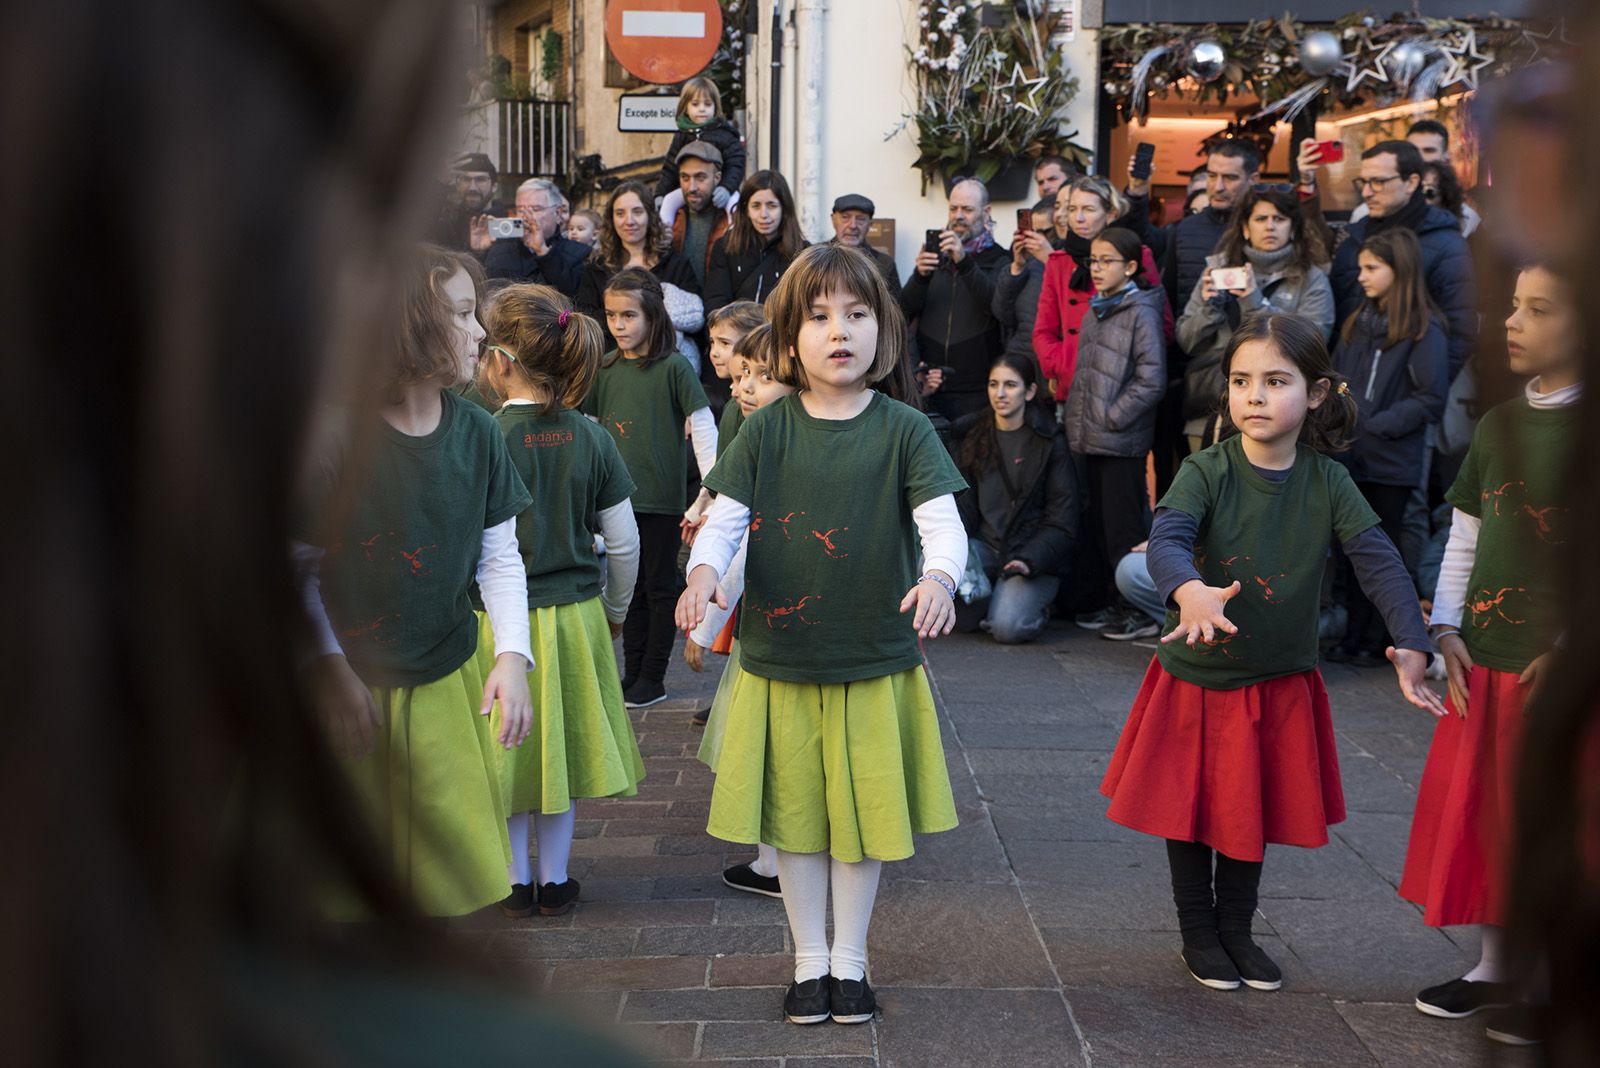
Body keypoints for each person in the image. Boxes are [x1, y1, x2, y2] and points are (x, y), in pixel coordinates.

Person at [1099, 313, 1445, 993]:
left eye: (1275, 381)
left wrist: (1412, 639)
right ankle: (1199, 931)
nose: (1254, 395)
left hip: (1278, 680)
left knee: (1246, 806)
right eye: (1241, 381)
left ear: (1316, 394)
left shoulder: (1327, 480)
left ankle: (1238, 929)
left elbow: (1377, 560)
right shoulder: (1206, 469)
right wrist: (1190, 589)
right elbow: (1168, 538)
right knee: (1191, 810)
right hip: (1199, 678)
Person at [678, 244, 968, 1027]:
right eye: (817, 317)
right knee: (797, 819)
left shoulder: (905, 429)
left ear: (884, 331)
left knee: (862, 822)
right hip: (781, 661)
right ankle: (809, 962)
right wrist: (704, 573)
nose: (838, 330)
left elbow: (943, 526)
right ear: (788, 336)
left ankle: (852, 960)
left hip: (873, 660)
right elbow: (724, 520)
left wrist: (940, 578)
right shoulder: (767, 432)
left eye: (857, 314)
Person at [300, 245, 537, 918]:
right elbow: (293, 575)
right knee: (346, 869)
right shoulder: (333, 443)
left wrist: (512, 656)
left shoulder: (481, 435)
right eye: (461, 314)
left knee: (445, 863)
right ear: (402, 324)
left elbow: (500, 557)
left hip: (444, 674)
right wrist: (327, 668)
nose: (480, 333)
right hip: (348, 688)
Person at [1401, 264, 1580, 1046]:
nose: (1512, 321)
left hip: (1565, 678)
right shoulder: (1502, 424)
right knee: (1492, 817)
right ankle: (1498, 966)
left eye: (1538, 309)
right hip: (1488, 662)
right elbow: (1466, 538)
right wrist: (1444, 630)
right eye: (1513, 305)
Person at [474, 284, 647, 918]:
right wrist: (616, 610)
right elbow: (623, 543)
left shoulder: (482, 435)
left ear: (499, 360)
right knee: (561, 756)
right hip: (575, 616)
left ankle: (515, 881)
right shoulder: (592, 438)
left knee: (510, 756)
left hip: (497, 627)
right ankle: (557, 881)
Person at [582, 269, 717, 709]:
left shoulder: (674, 367)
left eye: (629, 315)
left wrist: (712, 488)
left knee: (658, 590)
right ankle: (632, 674)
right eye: (611, 315)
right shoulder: (603, 368)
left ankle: (652, 678)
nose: (618, 325)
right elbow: (593, 429)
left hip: (660, 501)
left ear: (653, 316)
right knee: (628, 587)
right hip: (617, 502)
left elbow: (702, 425)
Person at [688, 322, 791, 898]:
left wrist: (703, 629)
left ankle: (776, 866)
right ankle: (775, 861)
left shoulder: (770, 442)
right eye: (744, 374)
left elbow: (741, 548)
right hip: (767, 622)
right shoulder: (758, 434)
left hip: (773, 627)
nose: (748, 387)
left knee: (767, 749)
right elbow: (725, 534)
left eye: (765, 376)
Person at [1328, 229, 1448, 666]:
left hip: (1391, 459)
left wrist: (1375, 424)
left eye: (1371, 268)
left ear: (1399, 271)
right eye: (1361, 267)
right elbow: (1339, 380)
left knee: (1382, 554)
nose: (1361, 277)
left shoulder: (1423, 330)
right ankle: (1353, 636)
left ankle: (1379, 641)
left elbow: (1430, 398)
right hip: (1351, 455)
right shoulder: (1357, 322)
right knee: (1349, 555)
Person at [1063, 227, 1167, 633]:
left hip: (1120, 441)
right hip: (1089, 438)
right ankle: (1111, 602)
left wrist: (1113, 417)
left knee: (1125, 528)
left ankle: (1137, 608)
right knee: (1099, 527)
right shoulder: (1096, 308)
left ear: (1130, 266)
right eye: (1094, 260)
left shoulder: (1140, 310)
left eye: (1107, 261)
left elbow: (1151, 379)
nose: (1098, 268)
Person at [1176, 187, 1334, 451]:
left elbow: (1313, 345)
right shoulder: (1218, 269)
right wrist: (1209, 306)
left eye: (1279, 219)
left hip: (1280, 419)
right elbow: (1187, 341)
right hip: (1213, 409)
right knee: (1212, 488)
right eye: (1260, 219)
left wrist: (1254, 301)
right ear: (1245, 228)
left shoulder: (1311, 277)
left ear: (1293, 227)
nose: (1270, 226)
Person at [1322, 140, 1475, 379]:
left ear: (1411, 182)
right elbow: (1337, 317)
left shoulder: (1446, 244)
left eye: (1378, 182)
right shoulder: (1354, 237)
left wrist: (1422, 396)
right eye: (1363, 182)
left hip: (1403, 393)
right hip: (1346, 387)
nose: (1366, 192)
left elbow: (1459, 330)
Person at [953, 354, 1077, 644]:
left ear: (1030, 391)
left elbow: (1063, 520)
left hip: (1028, 555)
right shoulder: (974, 434)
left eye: (1010, 385)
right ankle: (993, 602)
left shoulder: (1050, 442)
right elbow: (962, 505)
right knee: (929, 564)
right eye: (993, 384)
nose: (999, 393)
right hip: (984, 549)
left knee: (1008, 628)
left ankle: (1027, 604)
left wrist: (1029, 560)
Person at [1033, 176, 1167, 404]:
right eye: (1072, 209)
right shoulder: (1059, 262)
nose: (1079, 218)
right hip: (1072, 383)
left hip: (1119, 388)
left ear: (1111, 214)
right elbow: (1043, 330)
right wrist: (1060, 366)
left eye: (1088, 209)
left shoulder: (1136, 254)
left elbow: (1162, 326)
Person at [901, 177, 1010, 421]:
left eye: (968, 209)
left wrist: (964, 262)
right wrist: (920, 276)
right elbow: (905, 310)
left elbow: (996, 307)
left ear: (986, 212)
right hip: (932, 387)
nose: (958, 215)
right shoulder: (936, 258)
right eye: (953, 208)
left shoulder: (1001, 259)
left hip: (978, 393)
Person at [682, 301, 767, 568]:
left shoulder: (750, 408)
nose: (715, 353)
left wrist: (711, 514)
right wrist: (700, 509)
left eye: (725, 343)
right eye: (712, 343)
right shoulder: (734, 404)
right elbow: (723, 471)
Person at [574, 180, 704, 355]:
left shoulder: (675, 263)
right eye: (620, 213)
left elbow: (693, 317)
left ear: (650, 215)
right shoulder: (596, 268)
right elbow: (587, 318)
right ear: (611, 219)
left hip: (665, 360)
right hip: (611, 362)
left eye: (637, 212)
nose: (629, 221)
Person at [704, 169, 808, 314]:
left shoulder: (803, 254)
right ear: (746, 209)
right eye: (756, 206)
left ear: (784, 209)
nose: (763, 214)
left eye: (772, 205)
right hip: (737, 334)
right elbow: (716, 301)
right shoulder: (726, 247)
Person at [653, 76, 746, 226]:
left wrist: (726, 188)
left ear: (716, 107)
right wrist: (660, 193)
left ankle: (734, 234)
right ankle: (664, 235)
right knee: (669, 201)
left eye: (708, 104)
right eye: (695, 104)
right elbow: (670, 167)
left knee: (734, 203)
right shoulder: (681, 135)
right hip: (691, 190)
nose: (702, 109)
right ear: (686, 107)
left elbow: (736, 163)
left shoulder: (724, 134)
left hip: (721, 188)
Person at [484, 178, 589, 296]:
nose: (527, 217)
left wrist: (544, 253)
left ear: (558, 213)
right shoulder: (500, 251)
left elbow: (572, 298)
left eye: (536, 209)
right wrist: (479, 251)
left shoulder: (580, 253)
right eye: (521, 210)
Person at [669, 142, 733, 289]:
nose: (692, 187)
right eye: (685, 178)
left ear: (717, 178)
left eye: (700, 178)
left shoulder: (732, 220)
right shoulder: (670, 219)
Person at [433, 150, 507, 256]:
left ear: (494, 186)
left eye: (481, 180)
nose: (472, 187)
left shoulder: (507, 222)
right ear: (457, 185)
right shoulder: (447, 223)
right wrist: (439, 185)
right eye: (465, 179)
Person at [829, 193, 901, 301]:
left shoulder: (884, 263)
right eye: (845, 217)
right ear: (833, 220)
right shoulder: (813, 257)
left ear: (870, 224)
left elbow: (896, 311)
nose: (853, 226)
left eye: (860, 219)